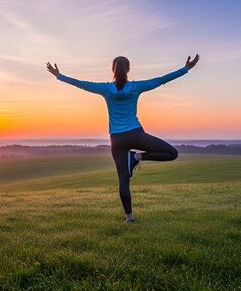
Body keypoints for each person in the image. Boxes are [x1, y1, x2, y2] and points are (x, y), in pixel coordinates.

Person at [46, 54, 200, 222]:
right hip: (136, 135)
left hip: (117, 140)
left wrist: (59, 75)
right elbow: (161, 80)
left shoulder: (106, 89)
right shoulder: (136, 87)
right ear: (128, 70)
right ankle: (136, 156)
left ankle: (129, 217)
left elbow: (82, 85)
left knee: (123, 180)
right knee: (172, 153)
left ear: (112, 70)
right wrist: (186, 69)